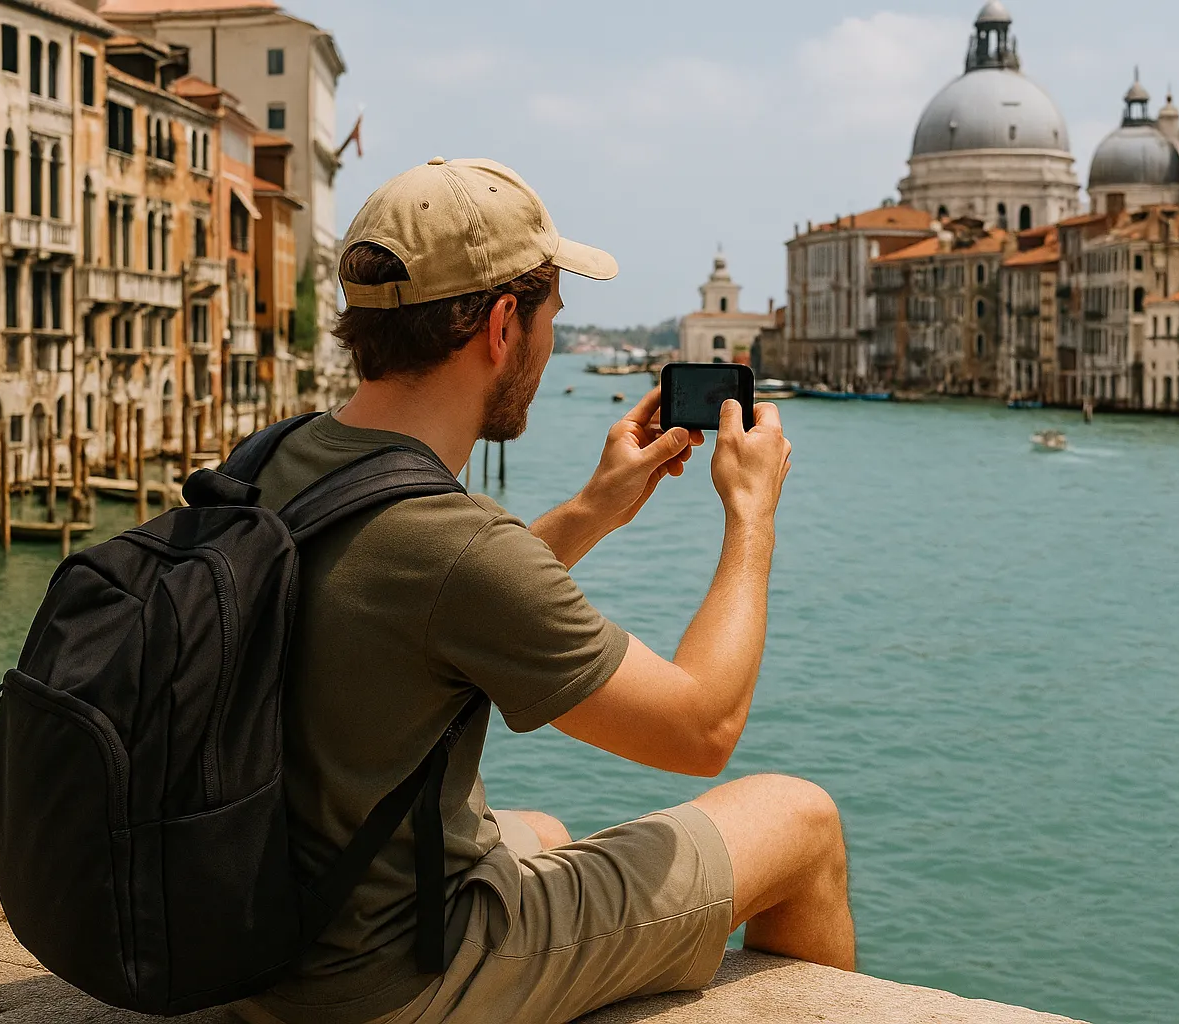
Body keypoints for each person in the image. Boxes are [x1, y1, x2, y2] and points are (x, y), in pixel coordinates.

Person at [236, 158, 851, 1024]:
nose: (552, 335)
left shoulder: (269, 461)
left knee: (548, 832)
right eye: (552, 312)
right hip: (385, 985)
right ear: (500, 326)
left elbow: (416, 602)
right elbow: (701, 728)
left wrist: (592, 509)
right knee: (801, 818)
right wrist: (751, 517)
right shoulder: (455, 546)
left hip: (254, 940)